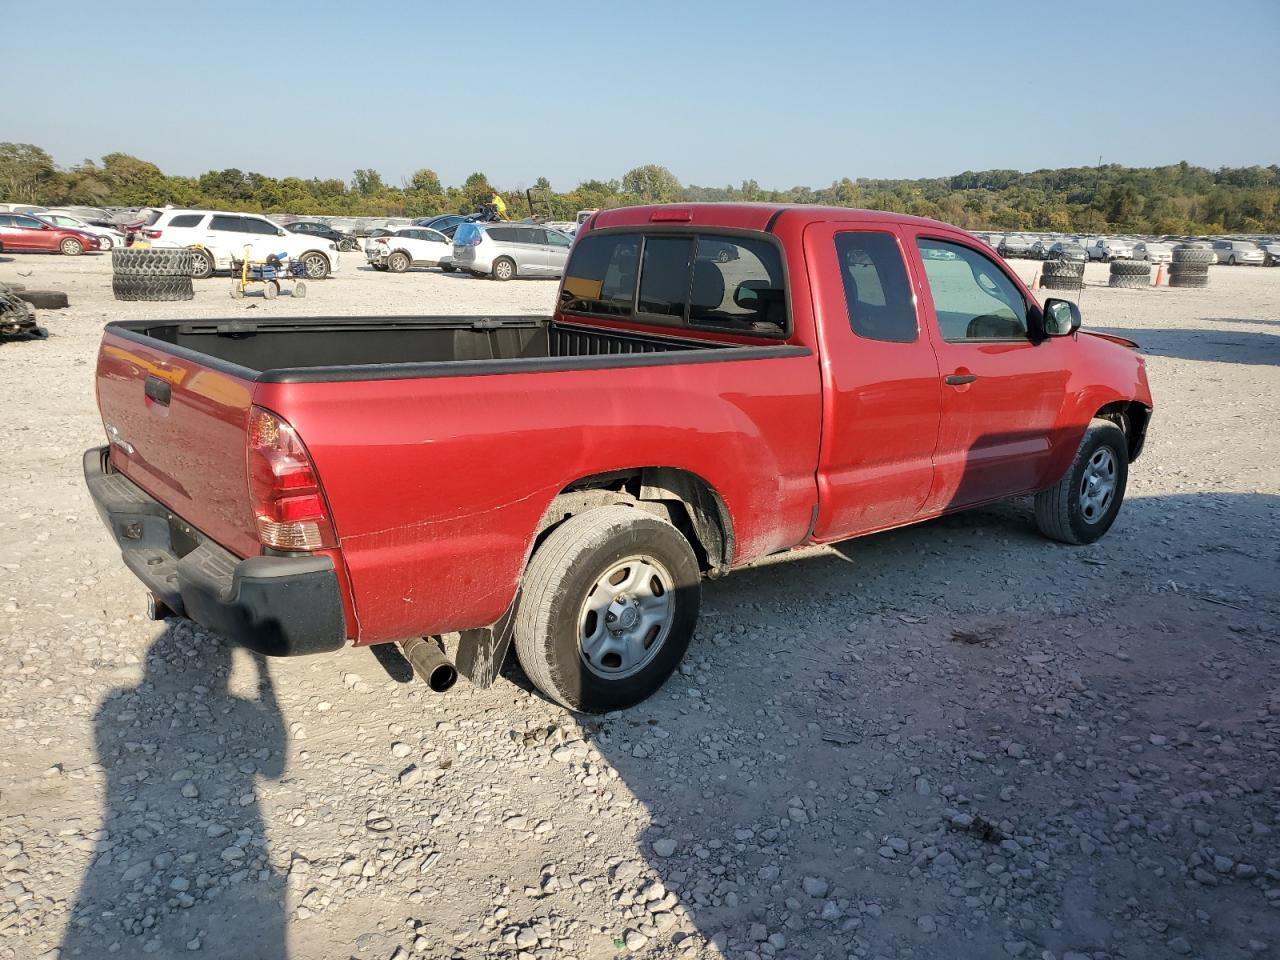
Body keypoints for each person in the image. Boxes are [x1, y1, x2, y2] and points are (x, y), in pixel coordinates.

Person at [62, 625, 286, 959]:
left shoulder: (112, 706)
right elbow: (275, 768)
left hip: (110, 842)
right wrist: (263, 676)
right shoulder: (239, 708)